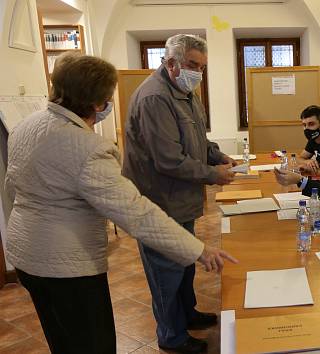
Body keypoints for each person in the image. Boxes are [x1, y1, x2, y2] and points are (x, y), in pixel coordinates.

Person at [4, 53, 237, 354]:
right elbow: (137, 214)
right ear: (98, 102)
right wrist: (200, 250)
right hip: (65, 263)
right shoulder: (87, 148)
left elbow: (12, 185)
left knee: (61, 335)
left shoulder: (28, 124)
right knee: (92, 341)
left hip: (27, 251)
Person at [122, 34, 236, 354]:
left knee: (185, 261)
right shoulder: (155, 97)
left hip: (181, 199)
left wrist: (217, 156)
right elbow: (169, 159)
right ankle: (171, 336)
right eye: (192, 65)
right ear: (170, 63)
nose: (198, 73)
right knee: (166, 271)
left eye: (202, 67)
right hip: (158, 201)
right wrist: (214, 175)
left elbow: (198, 137)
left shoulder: (185, 91)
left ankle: (188, 314)